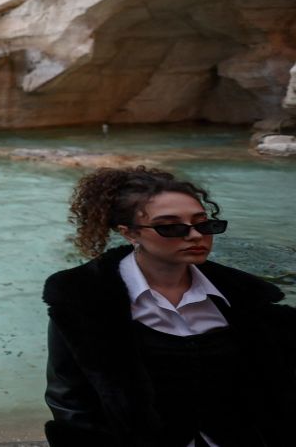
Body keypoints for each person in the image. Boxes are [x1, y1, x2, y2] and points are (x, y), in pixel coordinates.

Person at [42, 167, 296, 446]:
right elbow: (70, 403)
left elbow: (277, 389)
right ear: (130, 234)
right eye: (171, 227)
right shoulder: (82, 299)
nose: (195, 236)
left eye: (203, 224)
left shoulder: (248, 299)